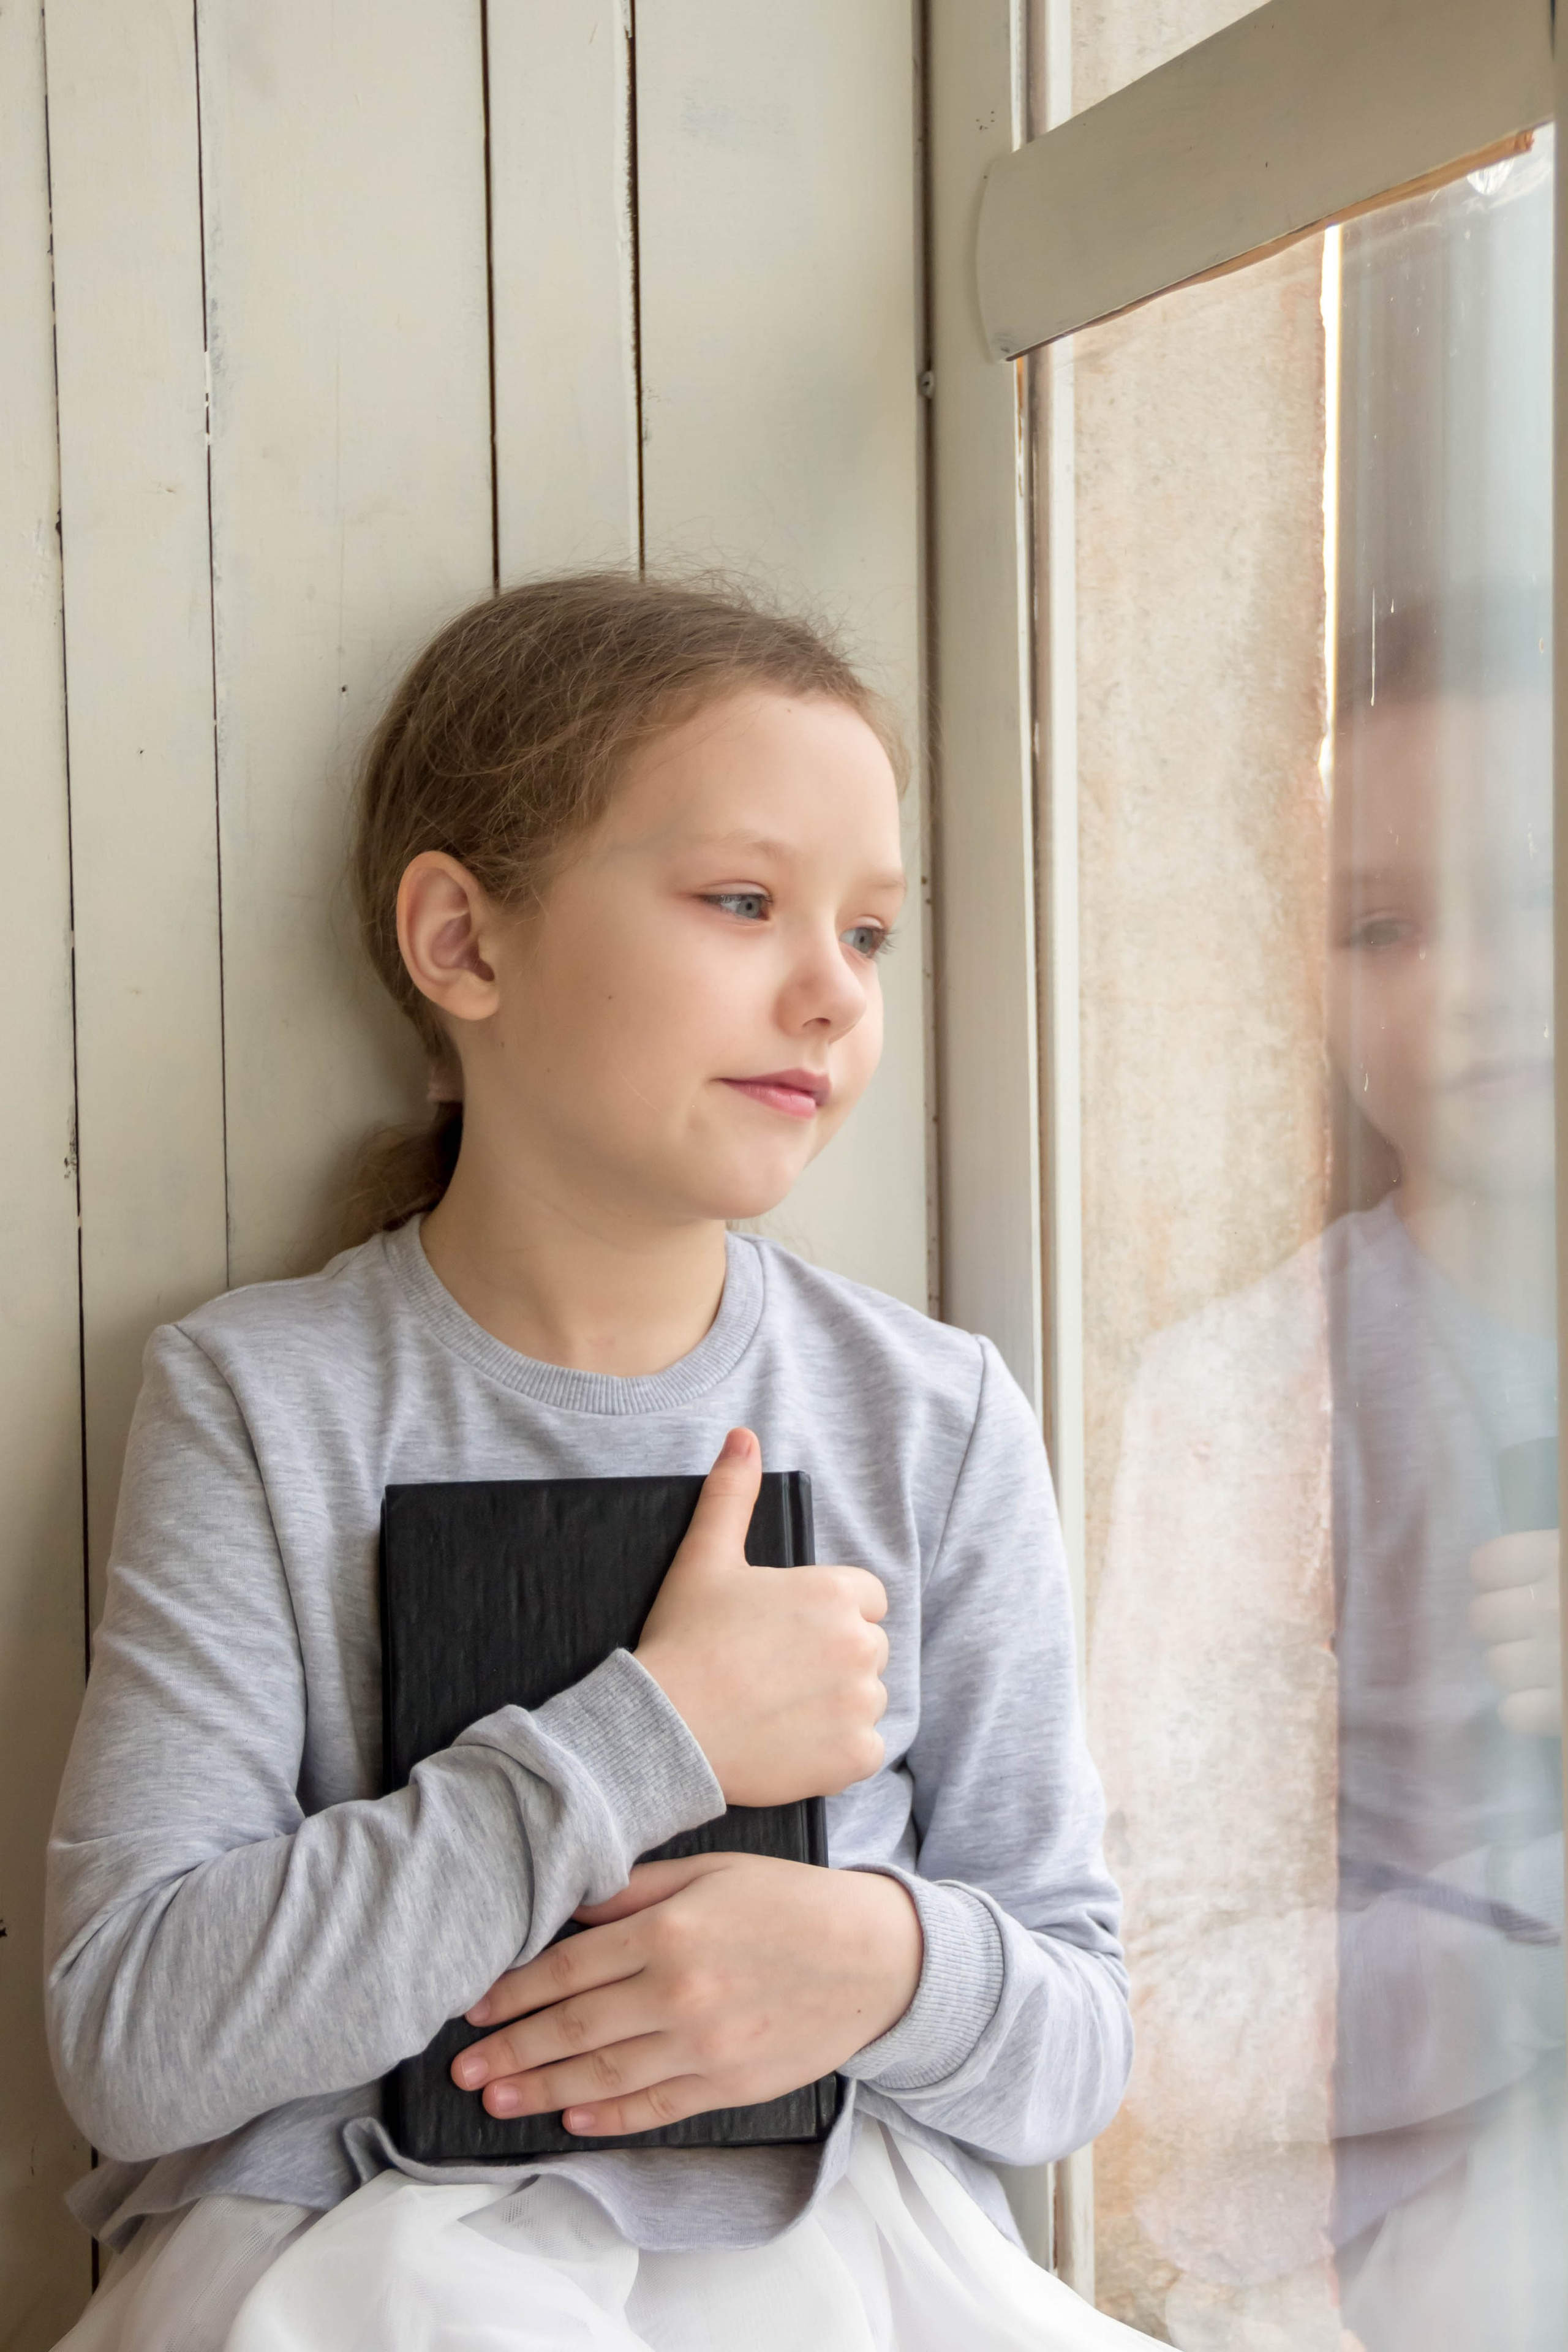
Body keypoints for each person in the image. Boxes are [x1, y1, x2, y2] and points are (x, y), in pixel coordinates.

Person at [43, 573, 1136, 2352]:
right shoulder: (263, 1399)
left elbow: (1078, 2041)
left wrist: (878, 1962)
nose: (832, 994)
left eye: (869, 931)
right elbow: (133, 2039)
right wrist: (656, 1736)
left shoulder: (935, 1418)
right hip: (366, 2277)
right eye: (743, 902)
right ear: (463, 944)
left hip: (846, 2277)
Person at [1090, 589, 1561, 2350]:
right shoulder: (1249, 1395)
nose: (1479, 983)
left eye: (1539, 890)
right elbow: (1157, 2000)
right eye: (1382, 926)